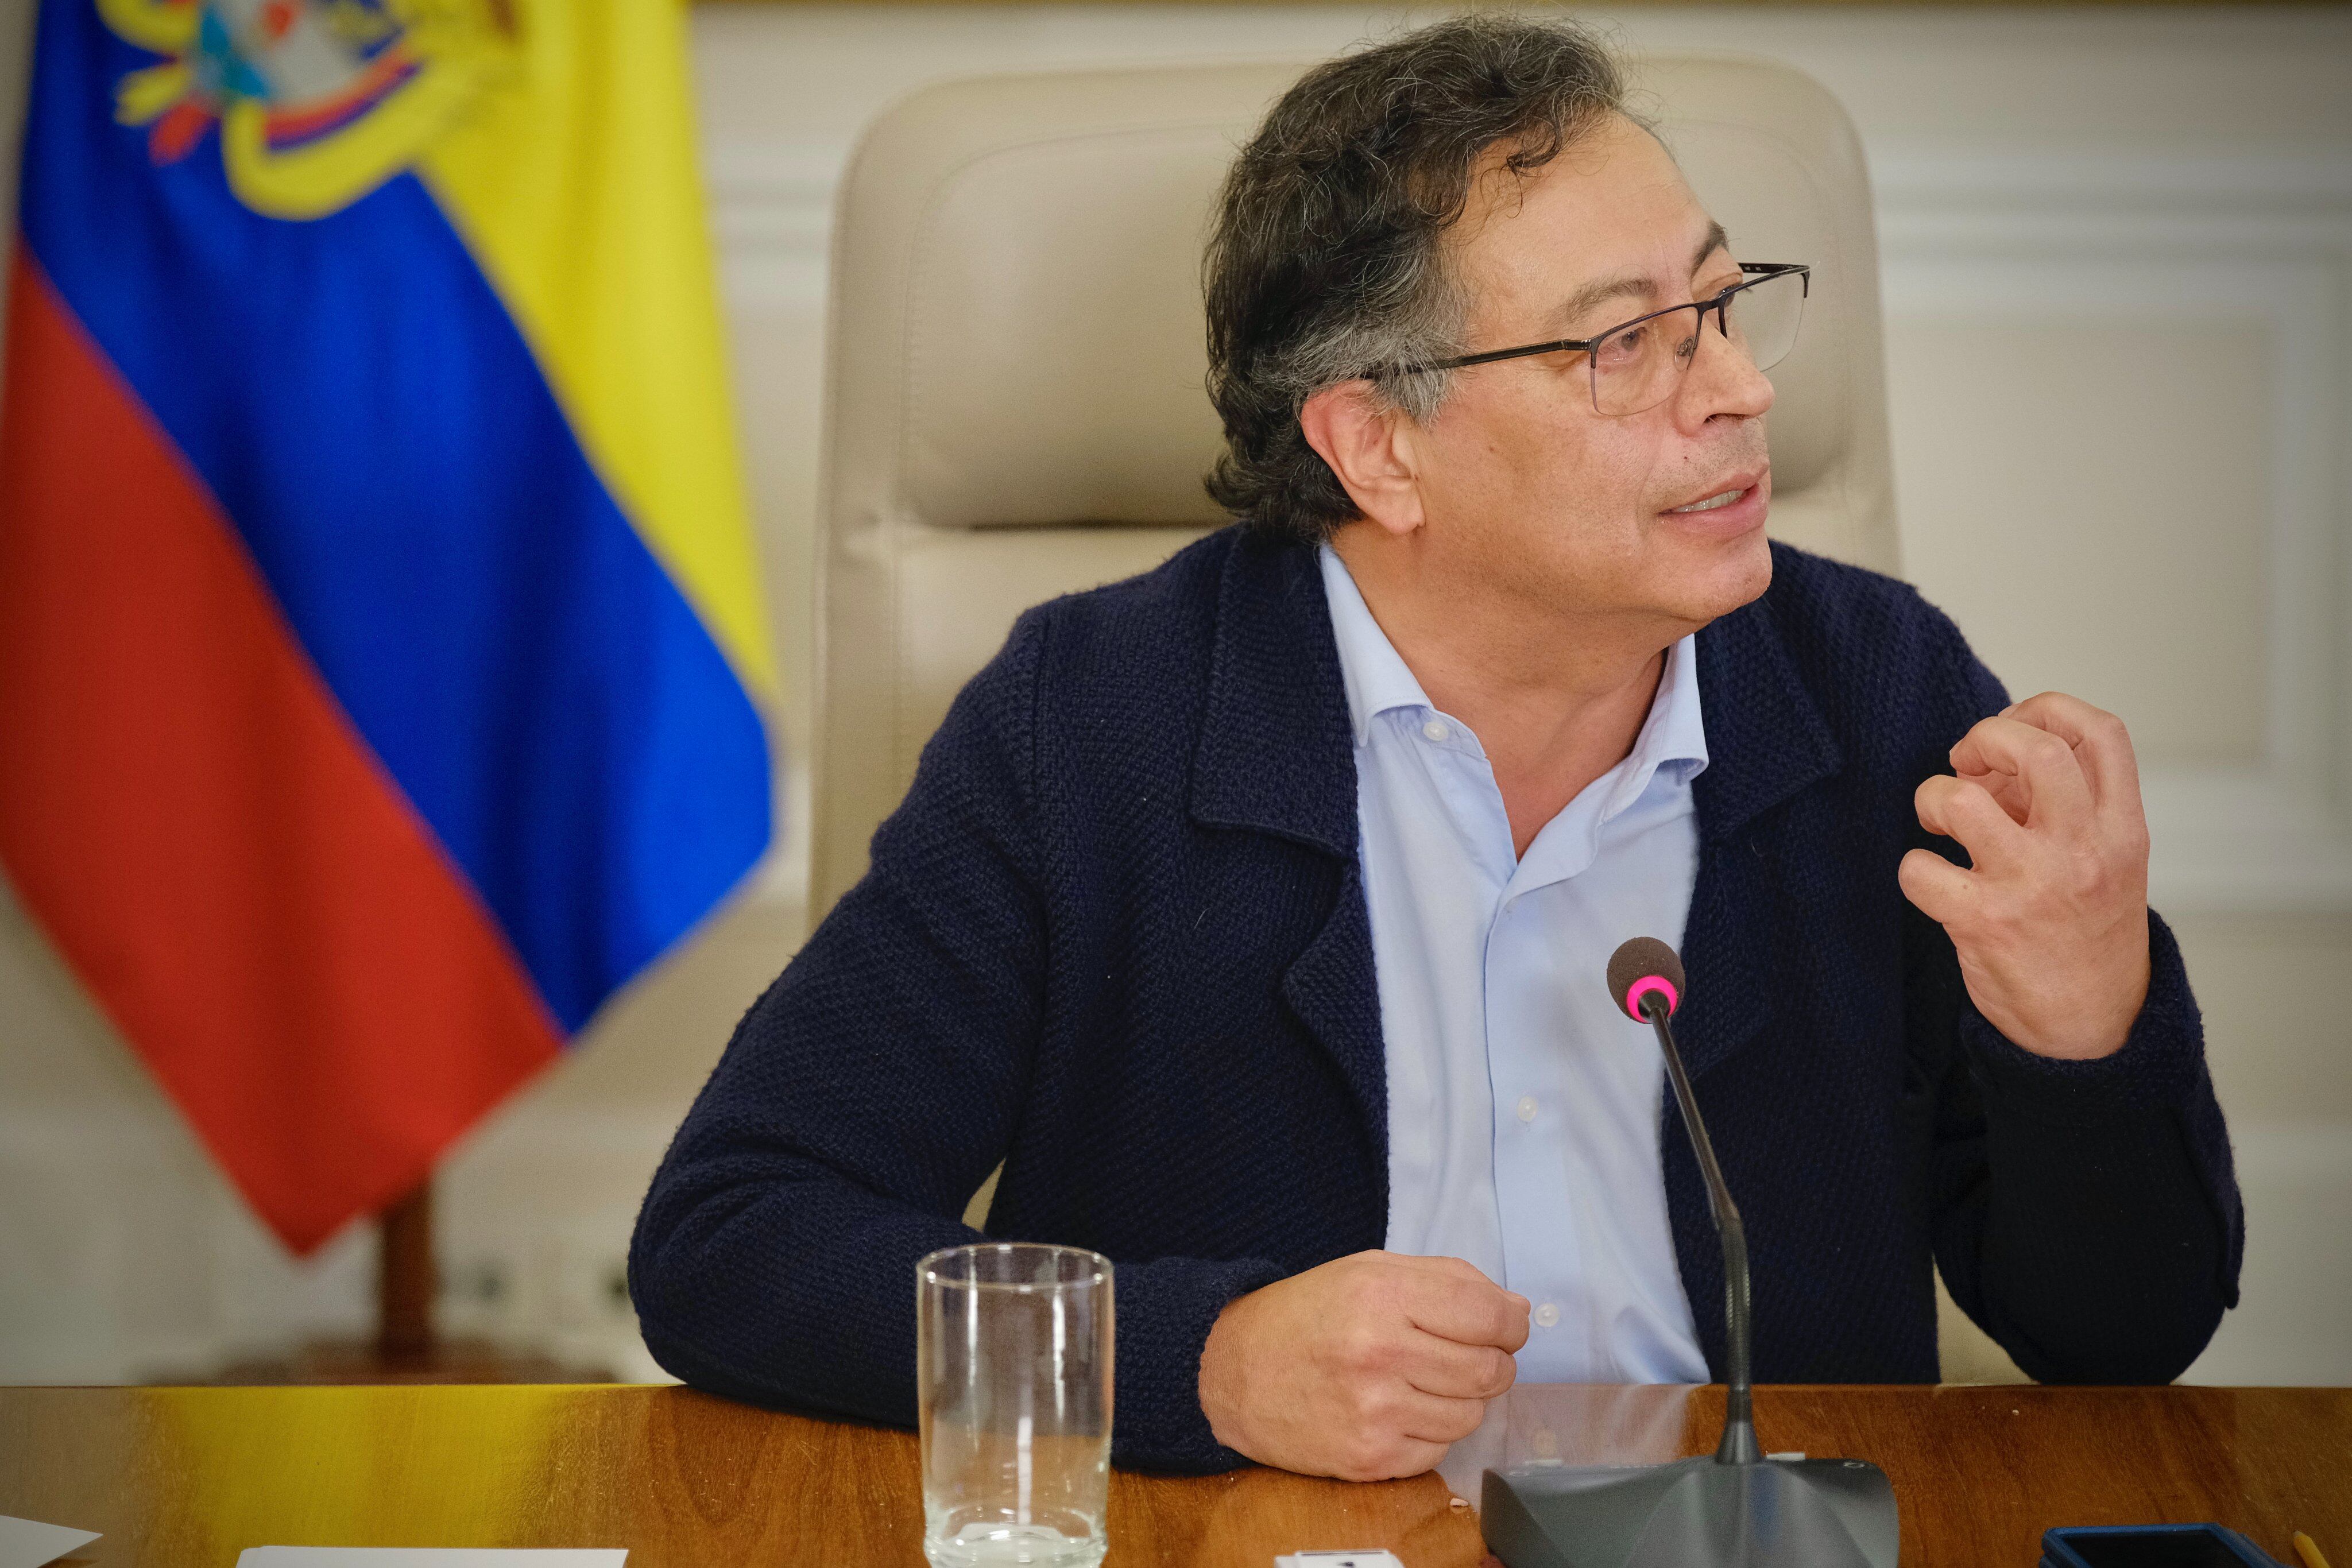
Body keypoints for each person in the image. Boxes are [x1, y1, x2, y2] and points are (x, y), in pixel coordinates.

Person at [629, 17, 2241, 1482]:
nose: (1742, 389)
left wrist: (2086, 1032)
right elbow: (733, 1236)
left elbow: (2124, 1334)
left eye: (1721, 303)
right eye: (1625, 344)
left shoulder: (1875, 688)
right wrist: (1202, 1360)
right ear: (1379, 446)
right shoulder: (1093, 720)